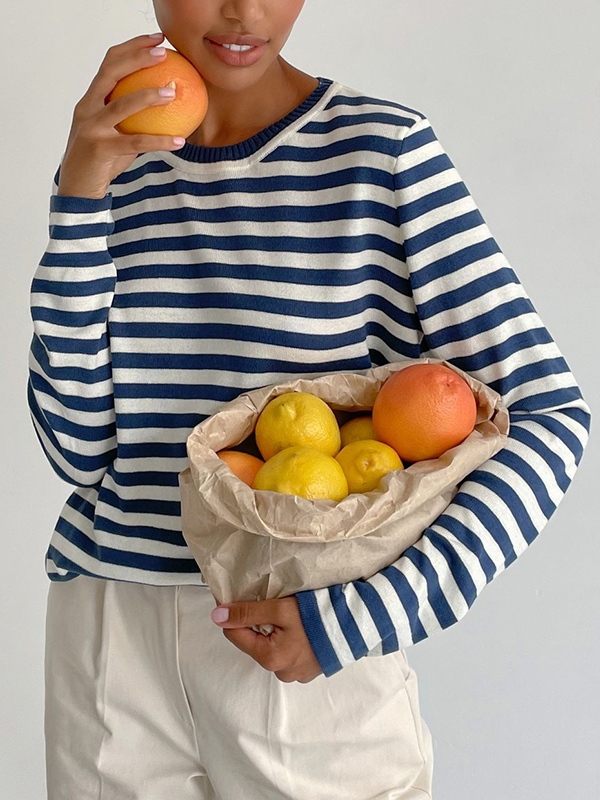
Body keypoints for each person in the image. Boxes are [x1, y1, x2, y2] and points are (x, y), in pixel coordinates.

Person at [29, 1, 590, 798]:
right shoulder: (112, 165)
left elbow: (547, 415)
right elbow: (79, 452)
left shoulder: (380, 153)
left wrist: (371, 614)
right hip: (109, 639)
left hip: (308, 641)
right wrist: (80, 202)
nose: (244, 10)